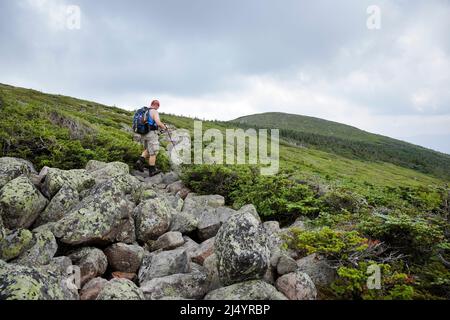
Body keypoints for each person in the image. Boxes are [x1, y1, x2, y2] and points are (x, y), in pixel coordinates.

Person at [135, 100, 167, 177]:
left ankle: (140, 161)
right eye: (158, 107)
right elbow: (158, 122)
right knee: (154, 152)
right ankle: (152, 171)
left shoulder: (145, 111)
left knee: (148, 149)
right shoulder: (154, 111)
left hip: (143, 133)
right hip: (151, 134)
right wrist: (164, 127)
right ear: (157, 105)